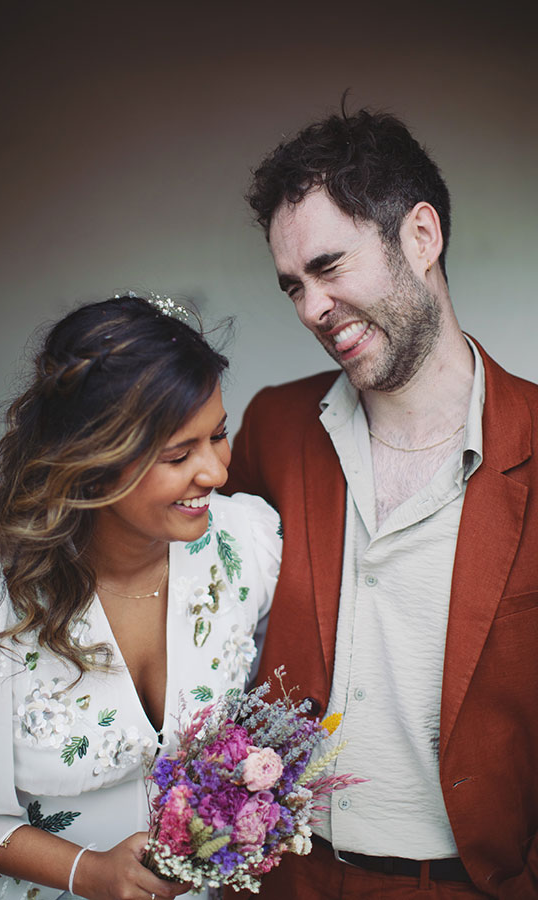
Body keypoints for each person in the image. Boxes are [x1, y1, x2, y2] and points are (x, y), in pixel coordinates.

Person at [223, 104, 538, 898]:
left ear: (421, 238)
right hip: (287, 876)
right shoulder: (272, 426)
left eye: (330, 268)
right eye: (293, 285)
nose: (310, 309)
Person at [0, 294, 282, 900]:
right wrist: (88, 872)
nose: (217, 472)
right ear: (92, 464)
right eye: (179, 455)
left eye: (219, 436)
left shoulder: (245, 542)